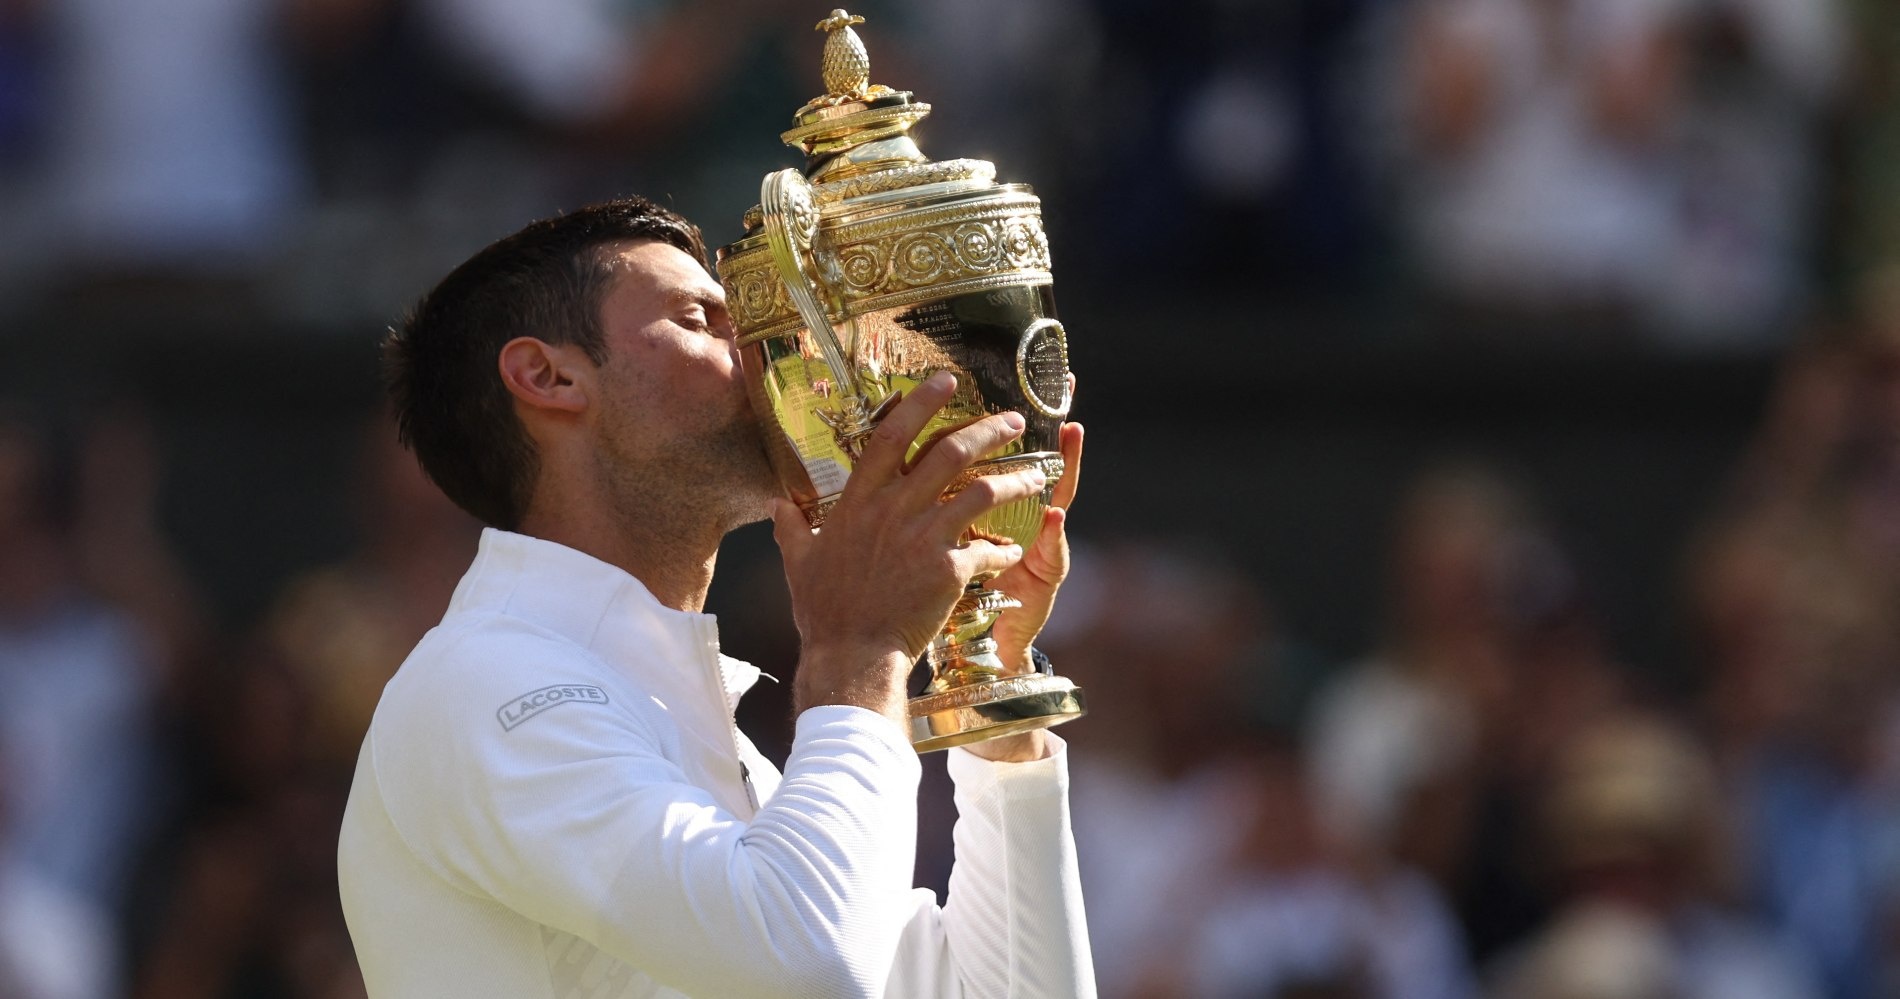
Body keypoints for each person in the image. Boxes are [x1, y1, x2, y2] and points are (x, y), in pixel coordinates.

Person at [336, 195, 1095, 998]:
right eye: (703, 318)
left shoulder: (692, 734)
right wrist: (858, 649)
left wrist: (992, 690)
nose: (767, 355)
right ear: (549, 376)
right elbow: (809, 965)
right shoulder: (486, 686)